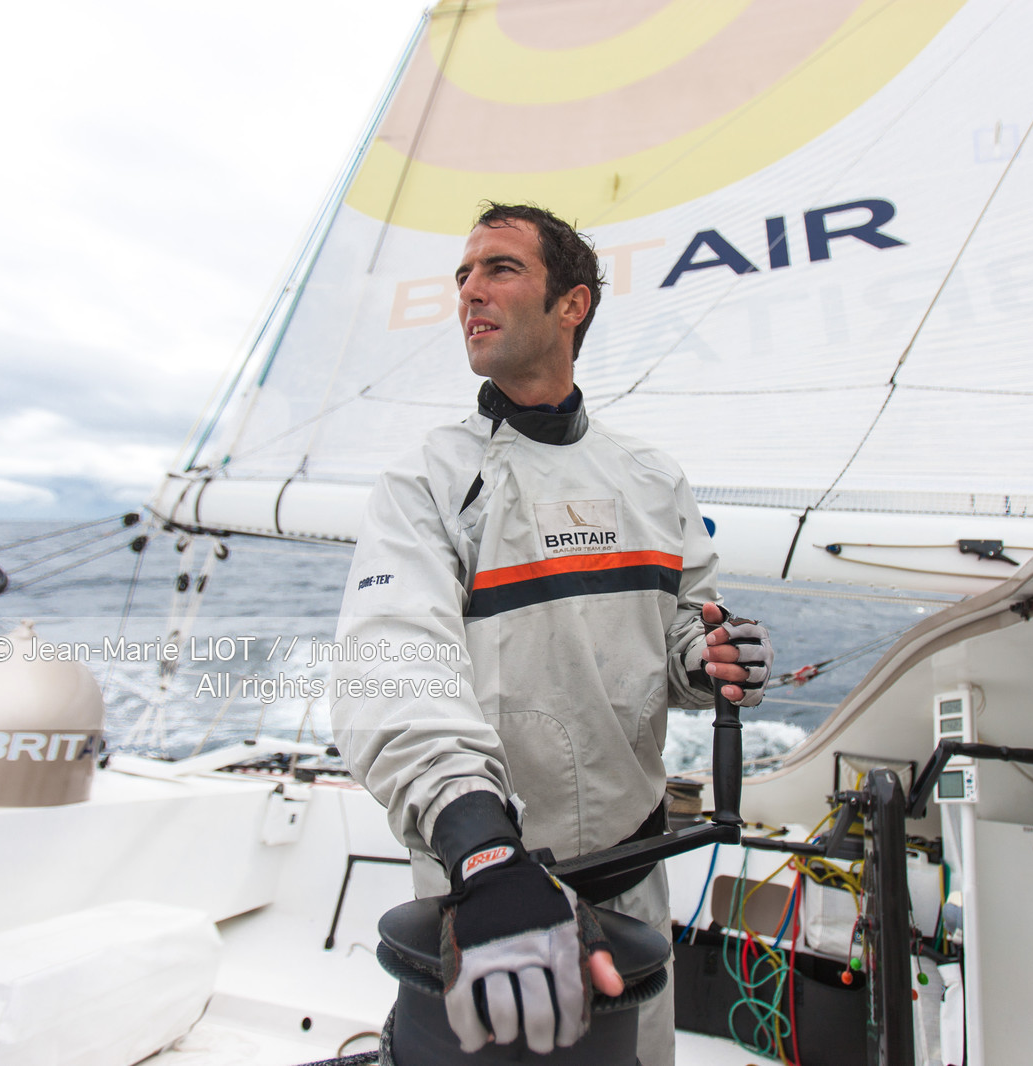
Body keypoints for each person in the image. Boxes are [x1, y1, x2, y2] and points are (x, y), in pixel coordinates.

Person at [331, 202, 773, 1063]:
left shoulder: (653, 478)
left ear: (572, 305)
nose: (469, 291)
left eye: (499, 268)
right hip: (484, 891)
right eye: (463, 275)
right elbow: (394, 663)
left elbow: (682, 627)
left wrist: (709, 658)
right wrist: (483, 853)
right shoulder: (427, 481)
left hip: (634, 881)